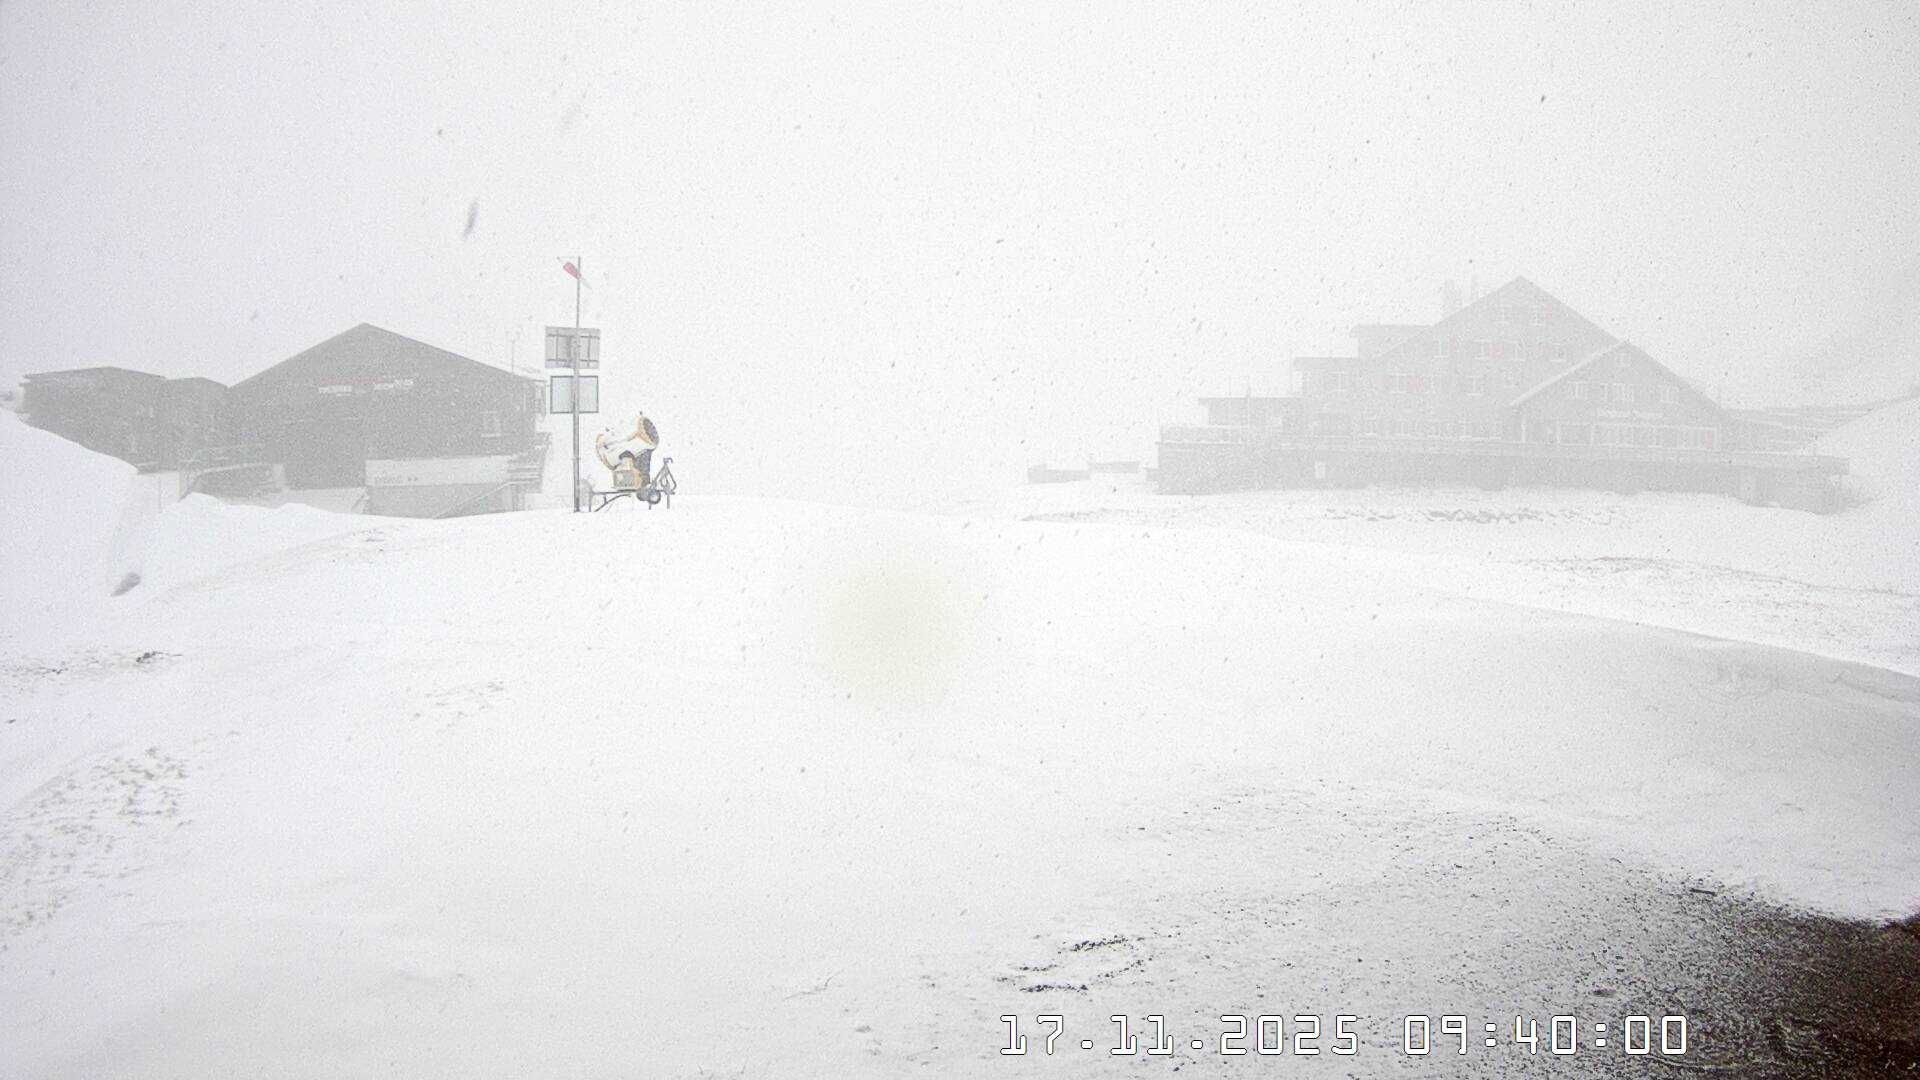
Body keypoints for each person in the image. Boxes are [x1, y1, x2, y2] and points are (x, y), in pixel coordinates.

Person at [594, 412, 660, 491]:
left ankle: (641, 481)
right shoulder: (641, 445)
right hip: (625, 459)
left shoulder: (643, 448)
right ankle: (640, 481)